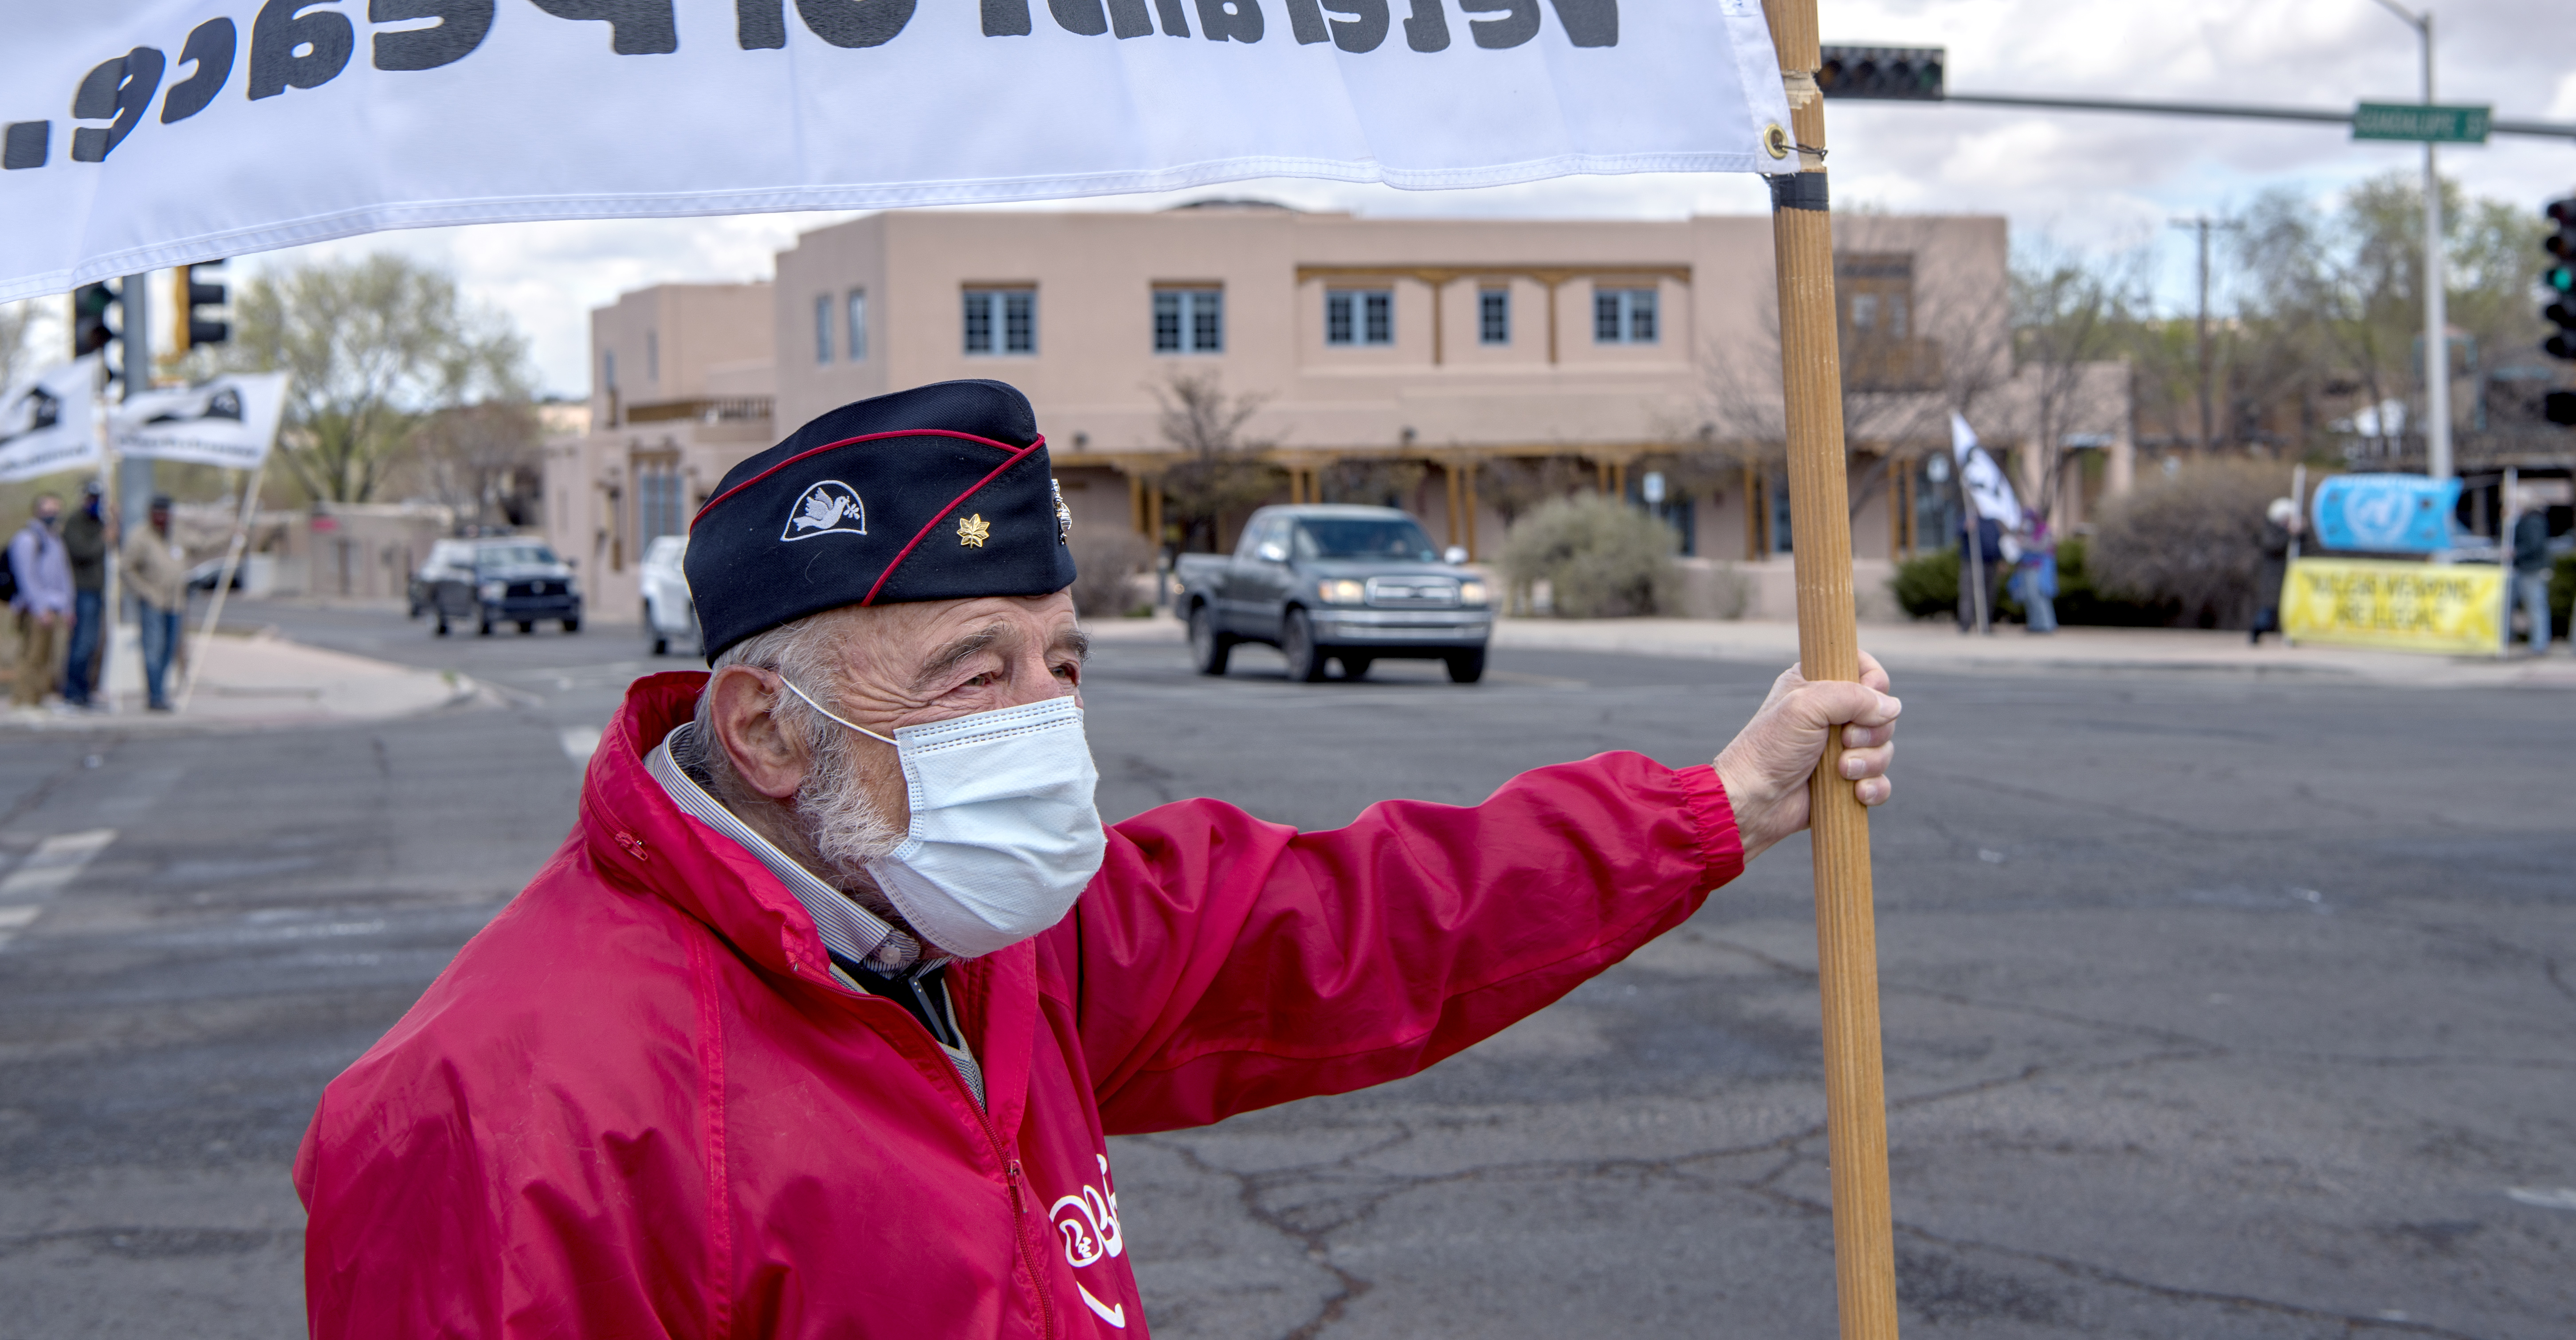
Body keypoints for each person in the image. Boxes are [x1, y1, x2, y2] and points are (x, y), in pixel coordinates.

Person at [297, 381, 1904, 1335]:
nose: (1040, 717)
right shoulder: (501, 1107)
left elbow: (1368, 921)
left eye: (1061, 660)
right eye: (969, 669)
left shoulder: (987, 933)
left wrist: (1716, 804)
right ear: (767, 731)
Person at [120, 494, 190, 713]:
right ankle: (156, 697)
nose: (161, 517)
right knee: (153, 649)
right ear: (150, 514)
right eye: (157, 513)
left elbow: (202, 543)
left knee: (169, 650)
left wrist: (232, 535)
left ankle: (161, 692)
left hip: (175, 603)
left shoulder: (178, 533)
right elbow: (126, 568)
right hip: (153, 603)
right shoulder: (139, 536)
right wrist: (145, 592)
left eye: (165, 513)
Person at [8, 494, 72, 711]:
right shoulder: (27, 539)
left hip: (54, 606)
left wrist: (67, 606)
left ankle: (39, 697)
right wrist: (39, 607)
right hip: (34, 608)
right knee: (31, 655)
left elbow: (64, 575)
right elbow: (27, 577)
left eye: (56, 510)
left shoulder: (54, 539)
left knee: (48, 656)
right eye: (48, 510)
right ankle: (24, 699)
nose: (53, 515)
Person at [59, 478, 109, 709]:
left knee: (94, 644)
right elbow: (83, 552)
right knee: (81, 643)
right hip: (82, 591)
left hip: (99, 591)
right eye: (91, 499)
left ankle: (87, 691)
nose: (94, 503)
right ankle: (73, 692)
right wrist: (104, 540)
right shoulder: (75, 523)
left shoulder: (102, 522)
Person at [2250, 497, 2298, 646]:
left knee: (2288, 608)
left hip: (2287, 578)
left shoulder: (2283, 532)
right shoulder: (2271, 531)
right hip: (2273, 579)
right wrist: (2290, 534)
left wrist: (2299, 533)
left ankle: (2291, 636)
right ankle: (2256, 632)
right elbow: (2274, 545)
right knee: (2268, 610)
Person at [2510, 507, 2553, 656]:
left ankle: (2539, 644)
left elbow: (2534, 545)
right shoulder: (2527, 520)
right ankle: (2532, 641)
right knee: (2529, 606)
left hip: (2532, 569)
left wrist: (2516, 553)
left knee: (2536, 607)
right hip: (2526, 568)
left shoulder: (2533, 521)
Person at [1957, 509, 2004, 631]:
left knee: (1989, 594)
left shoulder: (1992, 522)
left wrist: (2001, 560)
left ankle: (1986, 624)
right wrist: (1966, 527)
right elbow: (1958, 533)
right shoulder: (1968, 518)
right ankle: (1965, 625)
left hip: (1990, 563)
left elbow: (1997, 543)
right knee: (1969, 594)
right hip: (1972, 562)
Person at [2015, 510, 2058, 634]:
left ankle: (2046, 625)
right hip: (2026, 568)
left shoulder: (2044, 531)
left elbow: (2042, 548)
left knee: (2039, 596)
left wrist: (2024, 544)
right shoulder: (2026, 532)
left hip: (2039, 569)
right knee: (2029, 597)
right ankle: (2034, 625)